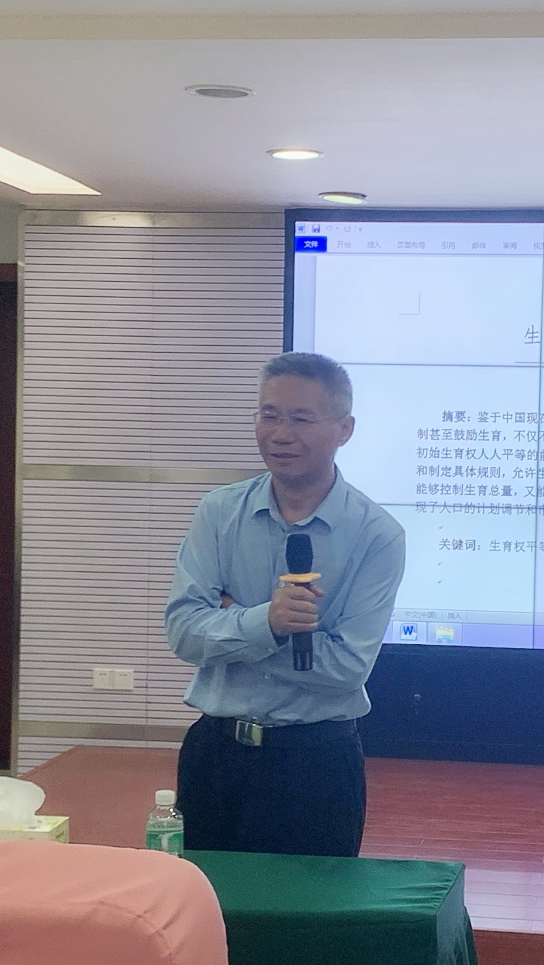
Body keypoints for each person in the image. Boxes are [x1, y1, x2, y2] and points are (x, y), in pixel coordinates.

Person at [165, 351, 405, 857]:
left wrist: (234, 623)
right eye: (268, 415)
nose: (279, 434)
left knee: (313, 905)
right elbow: (184, 633)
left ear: (344, 429)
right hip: (216, 756)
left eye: (300, 418)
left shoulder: (377, 534)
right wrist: (268, 624)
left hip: (316, 763)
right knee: (205, 900)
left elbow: (348, 668)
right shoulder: (218, 513)